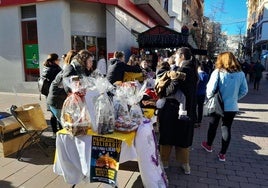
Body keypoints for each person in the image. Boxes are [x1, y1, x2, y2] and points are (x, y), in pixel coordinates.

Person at [157, 47, 198, 175]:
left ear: (181, 56)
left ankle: (164, 162)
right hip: (187, 110)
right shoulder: (193, 69)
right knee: (182, 137)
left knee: (167, 135)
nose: (174, 58)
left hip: (172, 109)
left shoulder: (182, 70)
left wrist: (164, 88)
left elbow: (170, 90)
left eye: (176, 56)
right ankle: (185, 164)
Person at [201, 52, 248, 162]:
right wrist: (235, 98)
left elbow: (210, 89)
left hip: (217, 104)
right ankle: (222, 154)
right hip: (231, 106)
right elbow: (244, 91)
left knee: (213, 125)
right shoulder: (241, 74)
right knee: (226, 128)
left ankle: (209, 145)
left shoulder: (218, 72)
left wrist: (210, 98)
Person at [47, 50, 77, 136]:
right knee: (65, 124)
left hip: (57, 99)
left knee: (64, 123)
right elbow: (68, 87)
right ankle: (61, 142)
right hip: (57, 101)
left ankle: (60, 138)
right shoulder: (69, 69)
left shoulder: (67, 68)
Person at [40, 53, 62, 137]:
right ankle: (60, 133)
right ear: (54, 61)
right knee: (59, 115)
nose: (59, 61)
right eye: (58, 60)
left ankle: (54, 133)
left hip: (48, 94)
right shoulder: (55, 69)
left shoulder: (46, 68)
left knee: (53, 114)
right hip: (56, 95)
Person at [195, 62, 209, 128]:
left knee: (194, 107)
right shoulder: (206, 75)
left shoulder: (197, 75)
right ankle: (199, 121)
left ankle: (195, 120)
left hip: (196, 93)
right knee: (200, 108)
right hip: (203, 93)